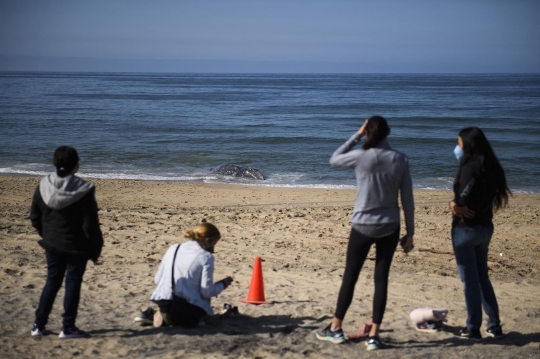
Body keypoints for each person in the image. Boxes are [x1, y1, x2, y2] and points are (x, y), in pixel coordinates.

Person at [316, 116, 414, 351]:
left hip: (362, 225)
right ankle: (374, 336)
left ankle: (335, 329)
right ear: (388, 133)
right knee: (381, 281)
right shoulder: (400, 159)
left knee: (350, 277)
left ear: (368, 133)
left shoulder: (361, 157)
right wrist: (410, 232)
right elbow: (408, 200)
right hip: (390, 226)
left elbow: (334, 159)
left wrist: (357, 136)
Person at [30, 146, 103, 338]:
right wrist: (95, 248)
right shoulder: (84, 190)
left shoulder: (44, 185)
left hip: (52, 243)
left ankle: (38, 325)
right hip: (76, 247)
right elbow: (90, 226)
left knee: (52, 282)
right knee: (72, 283)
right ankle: (67, 327)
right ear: (76, 165)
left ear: (55, 164)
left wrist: (46, 234)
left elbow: (34, 217)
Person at [449, 127, 510, 340]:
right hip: (485, 227)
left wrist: (455, 204)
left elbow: (463, 196)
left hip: (466, 229)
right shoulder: (491, 167)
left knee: (470, 281)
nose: (457, 147)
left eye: (459, 143)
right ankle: (494, 325)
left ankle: (473, 328)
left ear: (467, 144)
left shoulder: (470, 167)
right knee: (482, 277)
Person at [143, 223, 233, 328]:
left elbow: (157, 279)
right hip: (185, 312)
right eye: (213, 244)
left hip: (165, 306)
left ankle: (158, 317)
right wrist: (222, 284)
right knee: (203, 298)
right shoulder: (206, 257)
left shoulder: (173, 248)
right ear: (207, 241)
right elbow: (207, 292)